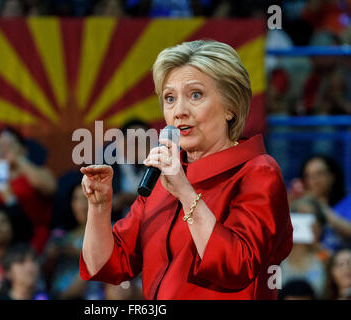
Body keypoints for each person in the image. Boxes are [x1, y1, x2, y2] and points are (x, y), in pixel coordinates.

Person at [79, 39, 293, 300]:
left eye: (195, 95)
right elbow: (109, 266)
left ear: (231, 107)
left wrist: (185, 193)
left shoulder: (259, 172)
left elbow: (238, 266)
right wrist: (99, 207)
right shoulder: (164, 174)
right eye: (170, 98)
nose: (179, 111)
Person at [0, 126, 56, 254]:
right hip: (4, 241)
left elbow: (49, 187)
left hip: (36, 239)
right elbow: (5, 200)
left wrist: (19, 160)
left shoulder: (37, 172)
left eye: (9, 145)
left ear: (23, 149)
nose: (4, 150)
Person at [43, 184, 103, 300]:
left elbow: (113, 261)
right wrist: (51, 257)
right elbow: (44, 272)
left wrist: (78, 253)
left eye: (86, 199)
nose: (81, 205)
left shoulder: (109, 230)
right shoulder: (61, 234)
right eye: (76, 199)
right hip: (57, 292)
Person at [298, 155, 351, 251]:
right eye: (308, 176)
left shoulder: (347, 202)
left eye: (319, 173)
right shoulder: (301, 204)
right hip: (312, 262)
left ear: (332, 176)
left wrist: (320, 205)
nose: (314, 180)